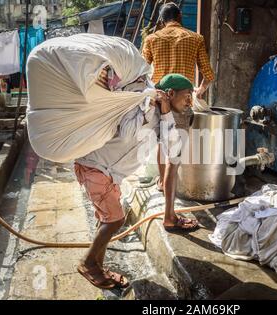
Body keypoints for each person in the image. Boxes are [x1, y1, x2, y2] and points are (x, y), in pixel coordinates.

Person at [75, 72, 199, 290]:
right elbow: (127, 133)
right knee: (114, 220)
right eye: (187, 96)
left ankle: (97, 265)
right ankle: (87, 264)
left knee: (108, 218)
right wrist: (150, 104)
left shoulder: (163, 114)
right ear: (170, 93)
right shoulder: (144, 104)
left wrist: (166, 111)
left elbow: (173, 149)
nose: (190, 102)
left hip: (109, 173)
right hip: (95, 166)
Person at [142, 2, 215, 194]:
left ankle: (161, 183)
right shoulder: (195, 38)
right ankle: (174, 186)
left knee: (161, 142)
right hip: (183, 101)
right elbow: (209, 74)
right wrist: (199, 90)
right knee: (176, 148)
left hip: (160, 99)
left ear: (161, 20)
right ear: (180, 17)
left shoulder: (152, 39)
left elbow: (141, 71)